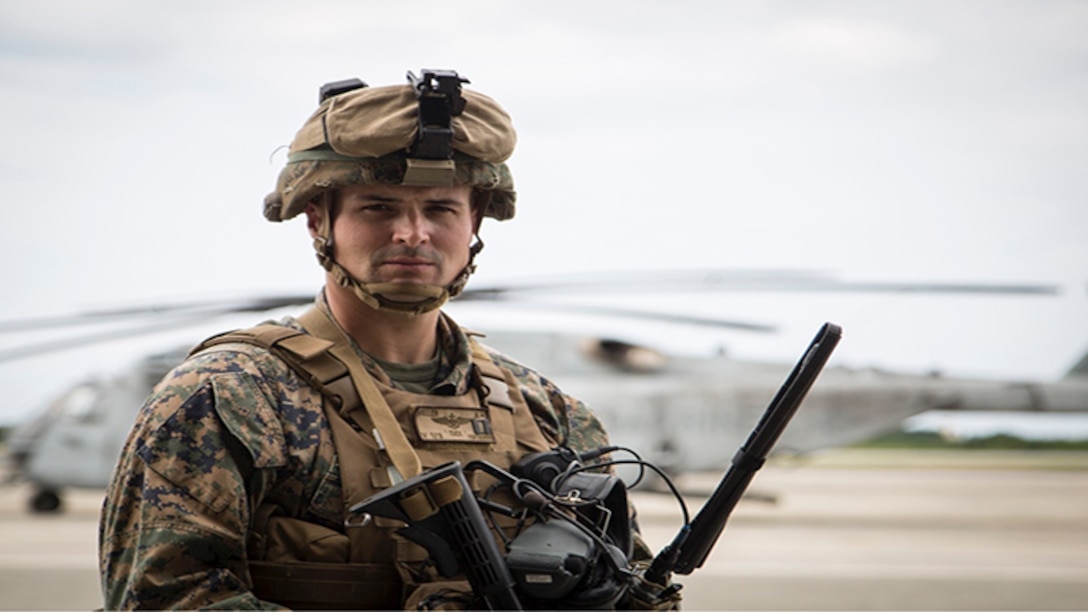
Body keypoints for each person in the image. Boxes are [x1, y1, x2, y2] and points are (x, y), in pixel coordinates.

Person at [98, 70, 676, 610]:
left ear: (474, 224)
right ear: (319, 221)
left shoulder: (546, 411)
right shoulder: (231, 396)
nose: (411, 233)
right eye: (378, 207)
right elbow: (165, 597)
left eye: (440, 208)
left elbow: (624, 581)